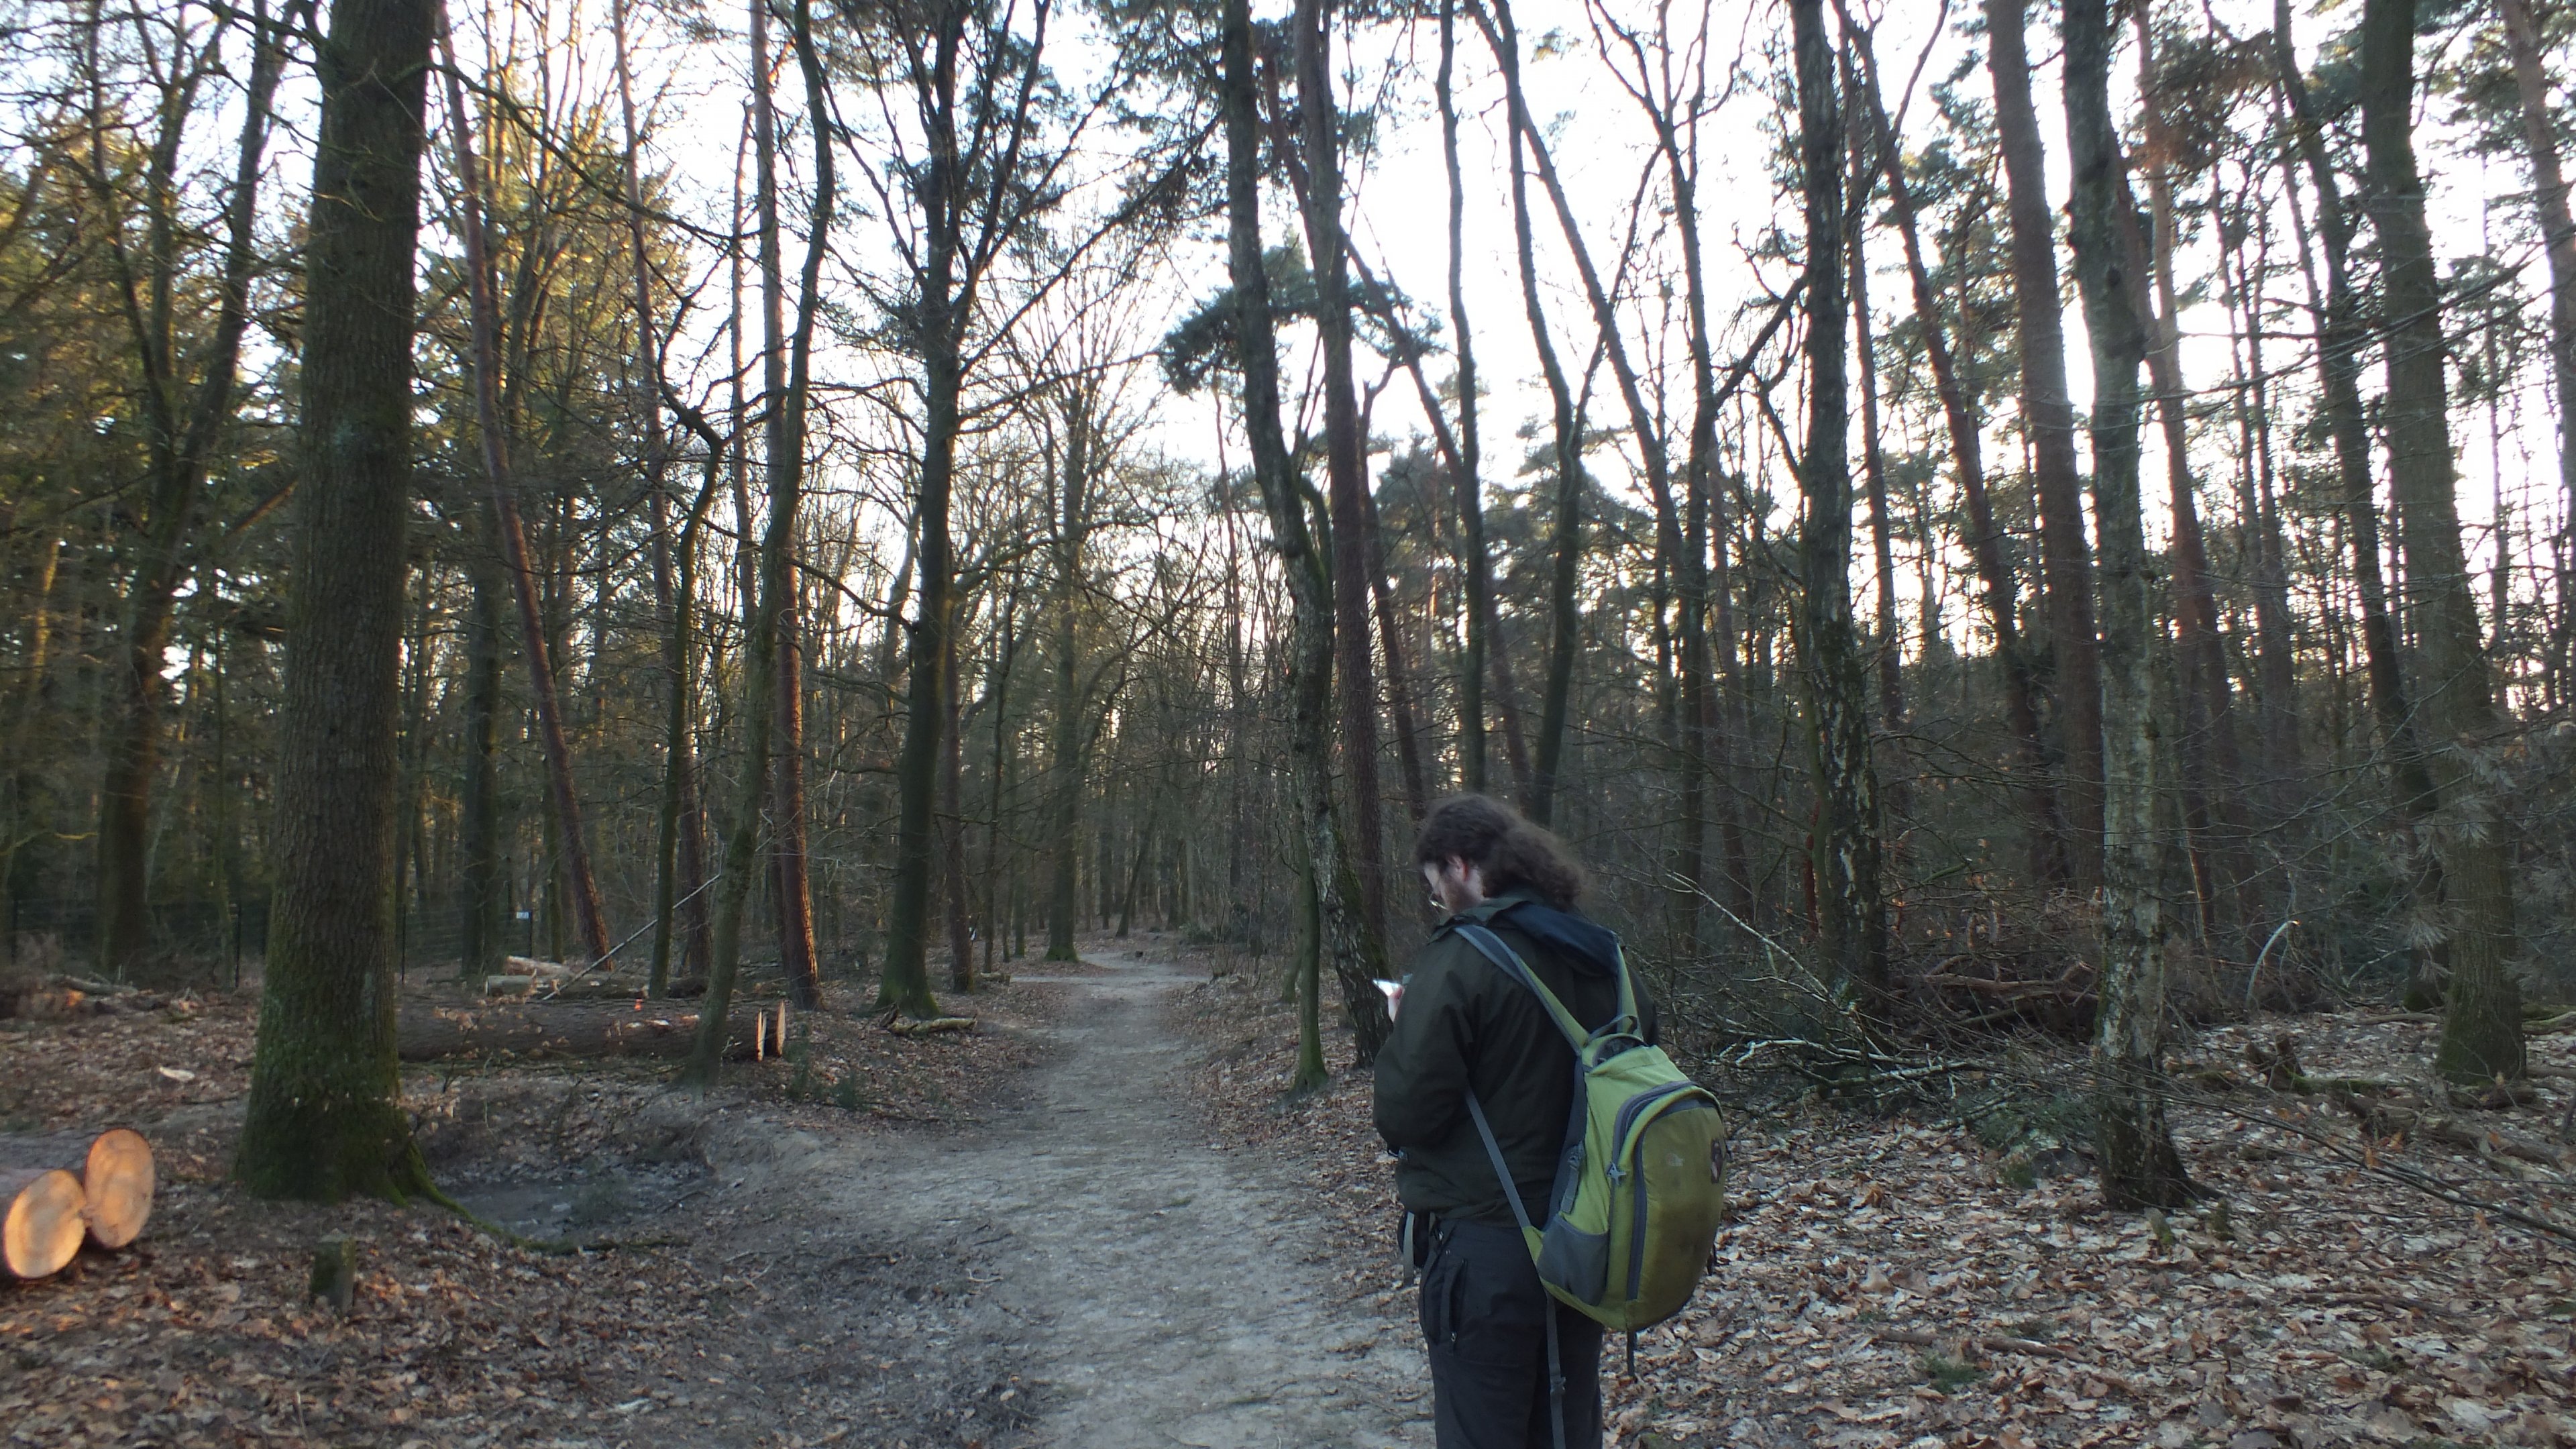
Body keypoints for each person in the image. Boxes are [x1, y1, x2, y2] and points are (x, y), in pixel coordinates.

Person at [1374, 794, 1656, 1449]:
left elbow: (1405, 1114)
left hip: (1487, 1250)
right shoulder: (1605, 955)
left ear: (1459, 865)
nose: (1438, 902)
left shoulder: (1462, 957)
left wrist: (1405, 1028)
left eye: (1436, 886)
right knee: (1567, 1427)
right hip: (1587, 1241)